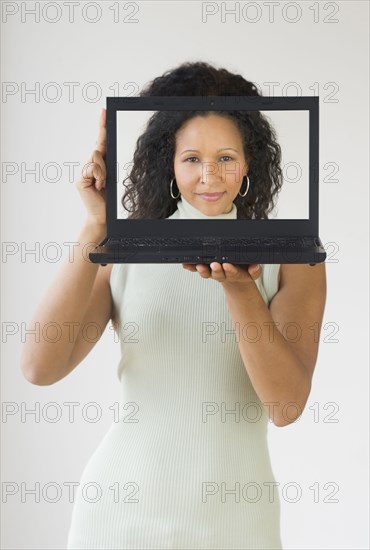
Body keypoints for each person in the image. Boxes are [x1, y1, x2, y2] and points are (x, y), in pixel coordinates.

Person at [21, 61, 327, 550]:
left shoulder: (292, 257)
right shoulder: (124, 251)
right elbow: (39, 367)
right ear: (169, 163)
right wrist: (95, 229)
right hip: (119, 517)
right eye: (191, 158)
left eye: (226, 157)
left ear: (250, 163)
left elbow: (286, 404)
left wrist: (240, 289)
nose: (209, 175)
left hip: (238, 524)